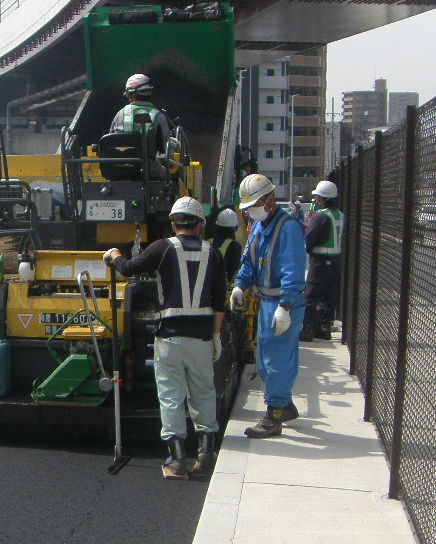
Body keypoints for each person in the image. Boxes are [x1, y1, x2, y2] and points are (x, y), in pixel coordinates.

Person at [104, 196, 228, 479]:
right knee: (204, 392)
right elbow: (220, 300)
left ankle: (176, 461)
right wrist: (217, 336)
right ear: (200, 223)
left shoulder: (162, 248)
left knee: (171, 397)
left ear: (173, 223)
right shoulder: (214, 253)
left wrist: (114, 255)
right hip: (202, 338)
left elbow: (127, 269)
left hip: (170, 338)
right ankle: (206, 455)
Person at [230, 173, 306, 438]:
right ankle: (283, 405)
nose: (251, 212)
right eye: (248, 208)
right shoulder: (261, 227)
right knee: (265, 361)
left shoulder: (288, 228)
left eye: (254, 205)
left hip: (284, 304)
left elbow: (293, 270)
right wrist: (240, 285)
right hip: (267, 303)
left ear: (270, 200)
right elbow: (249, 261)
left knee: (277, 361)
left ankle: (273, 416)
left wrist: (285, 305)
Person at [302, 179, 344, 341]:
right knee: (328, 297)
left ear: (322, 198)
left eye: (317, 196)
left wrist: (310, 250)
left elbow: (310, 238)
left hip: (319, 261)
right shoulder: (340, 216)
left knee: (311, 296)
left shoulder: (321, 217)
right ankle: (324, 329)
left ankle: (307, 330)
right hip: (335, 262)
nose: (316, 199)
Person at [211, 208, 242, 286]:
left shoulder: (207, 242)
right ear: (234, 228)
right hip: (224, 290)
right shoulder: (234, 246)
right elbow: (234, 274)